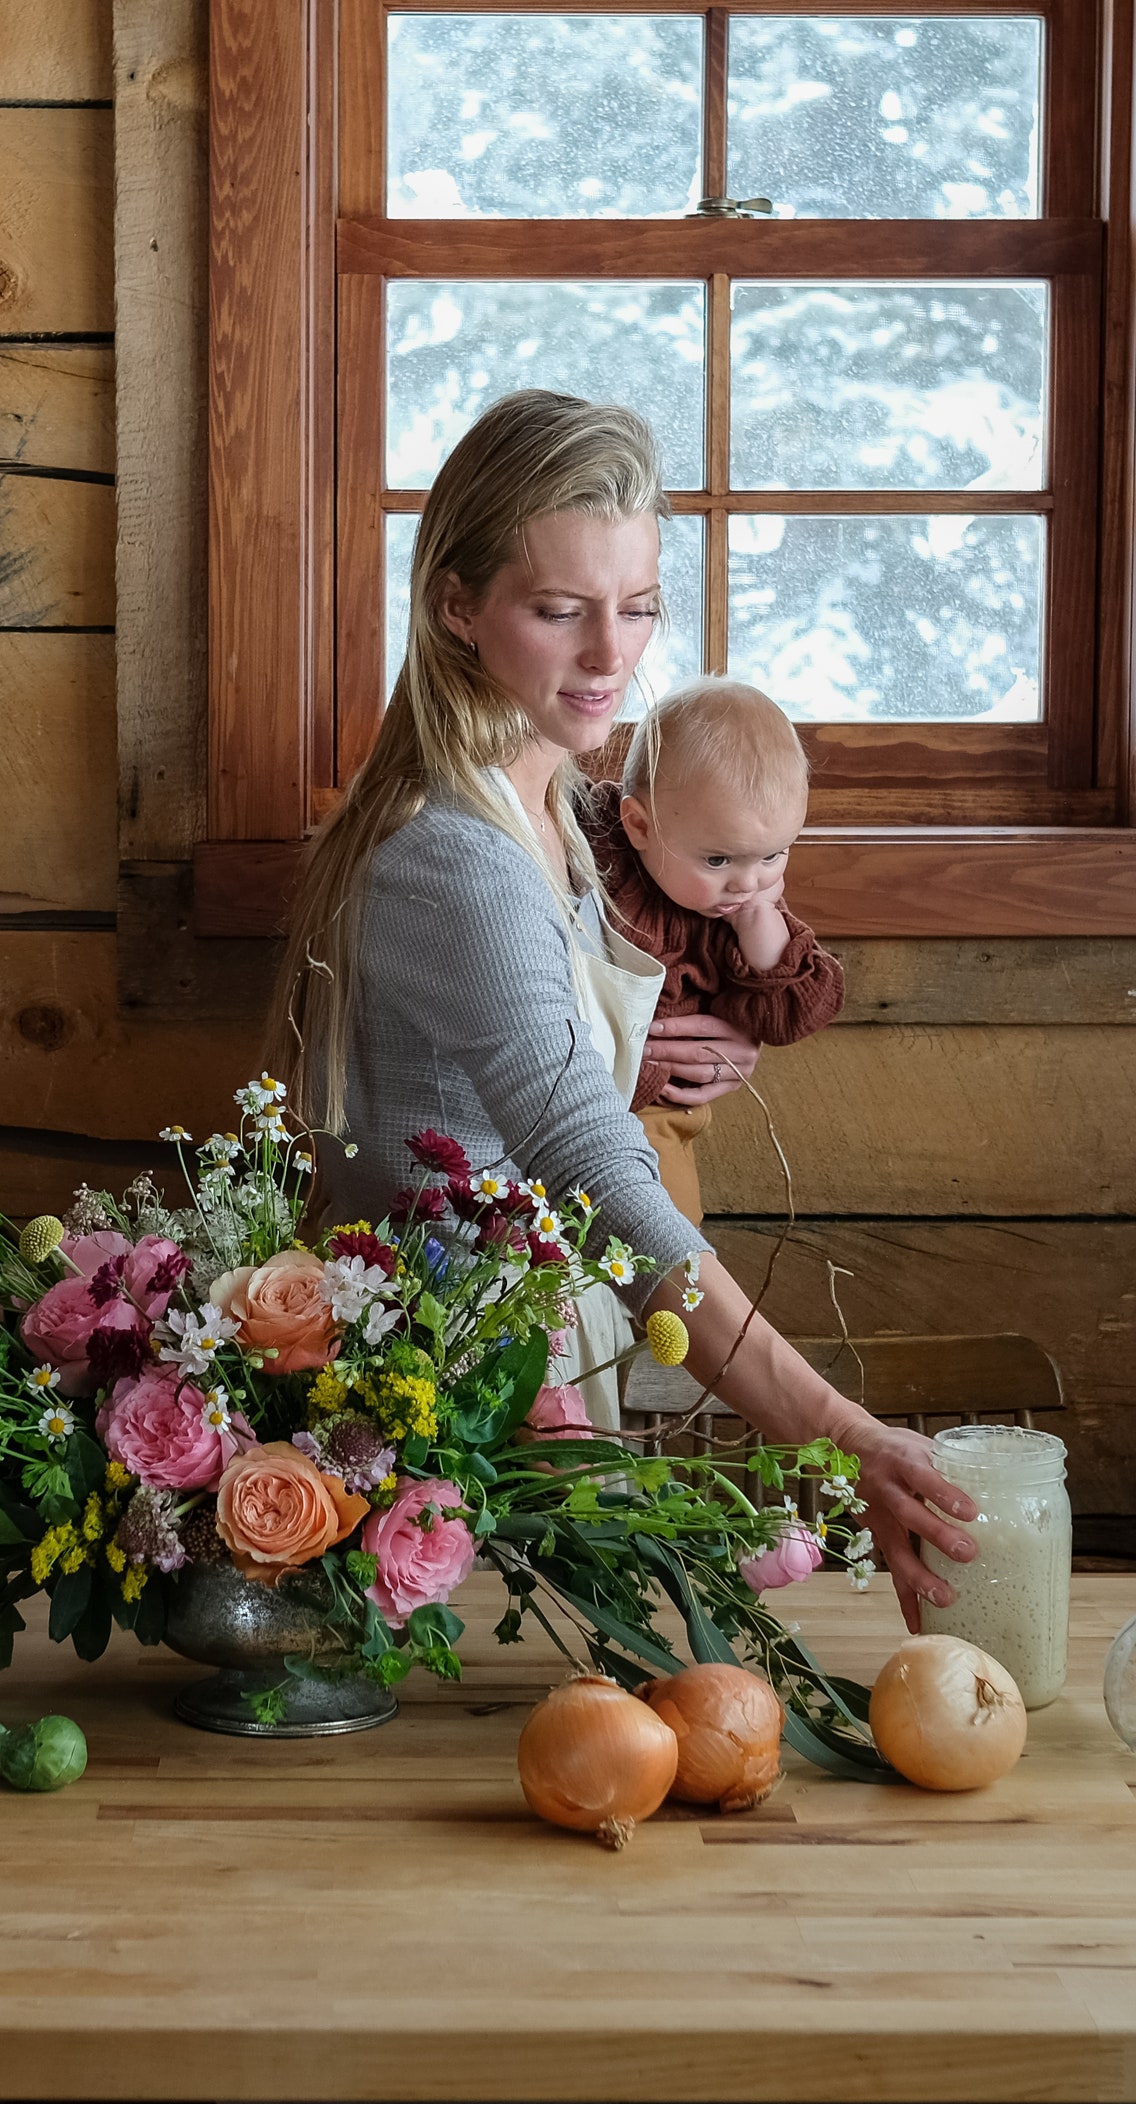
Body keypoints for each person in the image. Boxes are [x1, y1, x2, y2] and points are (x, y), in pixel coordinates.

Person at [269, 388, 974, 1630]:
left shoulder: (557, 809)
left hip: (530, 1334)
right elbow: (576, 1150)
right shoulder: (455, 852)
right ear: (456, 607)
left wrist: (647, 1052)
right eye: (559, 611)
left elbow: (524, 1056)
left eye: (638, 607)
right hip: (457, 1387)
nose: (613, 654)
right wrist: (838, 1430)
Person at [590, 679, 845, 1222]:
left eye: (774, 855)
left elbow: (795, 1013)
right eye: (717, 861)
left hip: (654, 1117)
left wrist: (760, 924)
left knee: (665, 1247)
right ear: (637, 824)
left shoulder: (738, 914)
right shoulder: (598, 841)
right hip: (580, 1098)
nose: (747, 883)